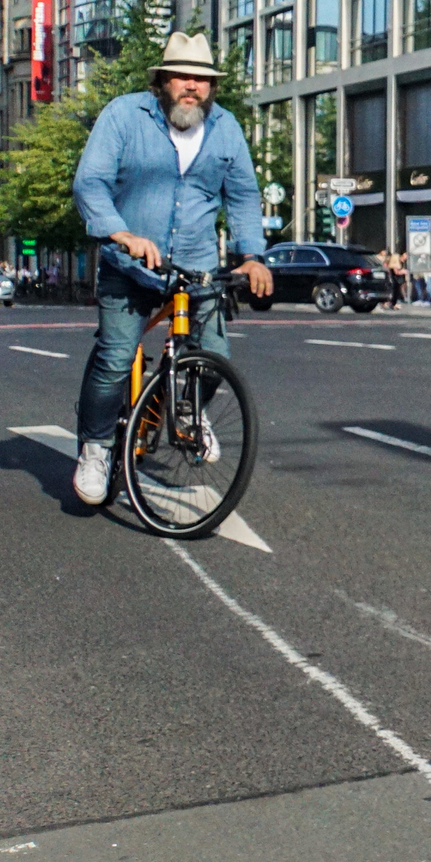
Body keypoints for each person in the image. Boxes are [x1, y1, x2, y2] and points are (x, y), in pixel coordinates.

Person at [67, 32, 275, 506]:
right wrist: (121, 233)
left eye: (202, 79)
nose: (192, 86)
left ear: (212, 88)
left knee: (215, 350)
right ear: (161, 81)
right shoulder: (124, 115)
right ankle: (96, 449)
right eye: (182, 76)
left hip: (197, 266)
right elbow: (90, 183)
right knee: (116, 358)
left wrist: (252, 255)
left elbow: (242, 195)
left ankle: (187, 411)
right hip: (131, 264)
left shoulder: (226, 129)